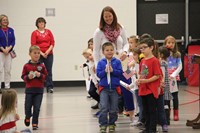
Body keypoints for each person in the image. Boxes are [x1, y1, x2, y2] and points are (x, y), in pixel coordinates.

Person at [137, 37, 162, 133]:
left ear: (151, 47)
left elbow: (157, 75)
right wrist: (139, 80)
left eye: (144, 47)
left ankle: (152, 129)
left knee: (152, 110)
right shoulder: (143, 60)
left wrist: (146, 81)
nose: (142, 50)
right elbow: (142, 73)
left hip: (151, 89)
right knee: (145, 110)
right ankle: (147, 128)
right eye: (141, 48)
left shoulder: (154, 60)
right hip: (143, 89)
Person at [96, 42, 123, 133]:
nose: (109, 52)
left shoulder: (117, 62)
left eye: (111, 50)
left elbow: (120, 73)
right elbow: (99, 75)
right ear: (103, 52)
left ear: (114, 51)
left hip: (114, 88)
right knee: (103, 107)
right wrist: (104, 71)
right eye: (107, 50)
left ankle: (112, 123)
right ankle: (103, 124)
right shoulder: (100, 62)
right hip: (104, 89)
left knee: (114, 108)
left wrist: (113, 71)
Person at [21, 45, 48, 130]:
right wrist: (28, 77)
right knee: (27, 107)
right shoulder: (26, 66)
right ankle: (28, 116)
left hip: (39, 91)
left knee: (37, 108)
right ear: (30, 54)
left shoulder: (42, 65)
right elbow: (23, 77)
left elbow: (46, 76)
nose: (37, 55)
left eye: (38, 53)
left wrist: (40, 75)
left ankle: (35, 123)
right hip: (29, 90)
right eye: (34, 53)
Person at [31, 17, 55, 93]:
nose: (41, 23)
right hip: (38, 54)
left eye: (43, 22)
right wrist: (40, 53)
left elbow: (52, 43)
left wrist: (47, 52)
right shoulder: (34, 33)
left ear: (45, 23)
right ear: (37, 24)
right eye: (39, 22)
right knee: (38, 70)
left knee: (48, 70)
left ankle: (49, 87)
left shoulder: (49, 32)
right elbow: (33, 44)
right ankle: (38, 86)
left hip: (49, 54)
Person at [164, 35, 182, 121]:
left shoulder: (177, 55)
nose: (171, 44)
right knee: (167, 96)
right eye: (168, 43)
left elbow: (180, 67)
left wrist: (174, 75)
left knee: (175, 96)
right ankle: (167, 113)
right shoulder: (164, 55)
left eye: (172, 43)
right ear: (165, 44)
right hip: (166, 79)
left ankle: (176, 113)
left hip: (174, 79)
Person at [0, 14, 15, 91]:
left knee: (8, 70)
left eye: (6, 20)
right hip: (1, 52)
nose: (5, 21)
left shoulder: (11, 30)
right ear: (0, 21)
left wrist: (9, 48)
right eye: (3, 20)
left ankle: (7, 87)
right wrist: (3, 49)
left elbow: (13, 41)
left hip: (9, 53)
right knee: (0, 70)